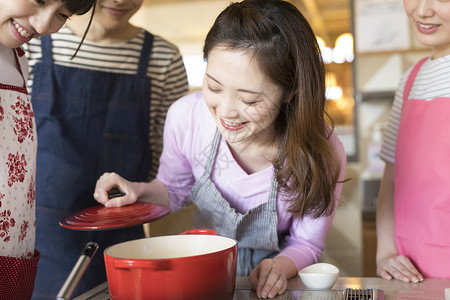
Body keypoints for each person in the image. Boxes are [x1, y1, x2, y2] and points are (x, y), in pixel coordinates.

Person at [93, 0, 346, 298]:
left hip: (277, 283)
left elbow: (308, 244)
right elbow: (174, 190)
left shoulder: (322, 151)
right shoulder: (186, 117)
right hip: (204, 272)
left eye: (249, 101)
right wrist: (138, 191)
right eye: (213, 88)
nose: (225, 112)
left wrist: (279, 267)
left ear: (291, 91)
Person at [24, 0, 189, 298]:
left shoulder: (164, 58)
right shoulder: (35, 40)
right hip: (38, 235)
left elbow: (165, 156)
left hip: (122, 234)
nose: (120, 1)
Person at [0, 1, 96, 299]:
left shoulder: (17, 58)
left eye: (62, 15)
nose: (42, 26)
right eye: (40, 0)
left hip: (13, 253)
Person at [376, 0, 450, 283]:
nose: (422, 11)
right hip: (409, 273)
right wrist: (385, 252)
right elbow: (391, 177)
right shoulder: (409, 81)